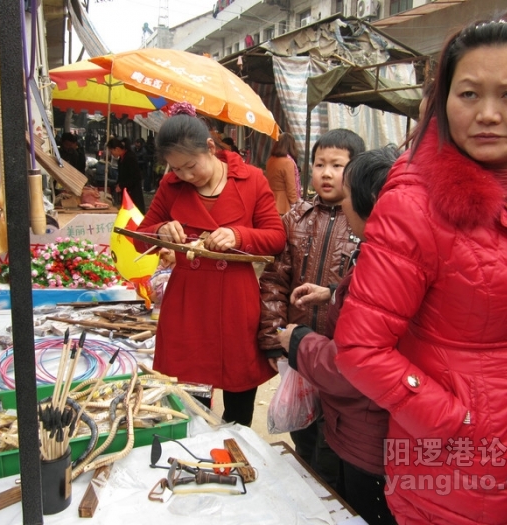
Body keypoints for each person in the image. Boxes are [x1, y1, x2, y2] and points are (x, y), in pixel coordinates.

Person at [332, 14, 507, 524]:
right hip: (457, 475)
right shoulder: (415, 205)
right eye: (468, 94)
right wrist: (457, 422)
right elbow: (360, 348)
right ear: (444, 101)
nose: (487, 114)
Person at [134, 102, 286, 427]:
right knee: (190, 403)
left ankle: (235, 457)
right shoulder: (171, 187)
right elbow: (139, 237)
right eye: (175, 169)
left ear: (211, 148)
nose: (184, 176)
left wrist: (238, 235)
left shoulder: (252, 181)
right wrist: (160, 231)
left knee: (239, 396)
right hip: (188, 304)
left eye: (190, 166)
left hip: (235, 301)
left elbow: (276, 237)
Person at [278, 146, 400, 525]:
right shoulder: (381, 252)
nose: (328, 176)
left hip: (366, 429)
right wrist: (332, 292)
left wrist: (296, 341)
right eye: (319, 165)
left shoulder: (388, 266)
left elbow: (354, 365)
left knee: (351, 502)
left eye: (347, 193)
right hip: (352, 416)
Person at [258, 128, 365, 487]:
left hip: (339, 358)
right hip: (299, 351)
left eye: (338, 165)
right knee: (302, 430)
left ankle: (333, 499)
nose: (326, 173)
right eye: (320, 164)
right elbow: (274, 280)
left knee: (335, 438)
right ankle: (307, 491)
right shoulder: (297, 218)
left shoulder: (364, 223)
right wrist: (275, 339)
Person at [264, 133, 302, 214]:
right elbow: (291, 189)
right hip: (284, 205)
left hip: (270, 202)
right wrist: (295, 206)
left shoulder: (270, 160)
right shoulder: (287, 162)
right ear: (291, 146)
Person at [107, 137, 146, 213]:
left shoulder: (130, 157)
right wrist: (118, 184)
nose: (112, 154)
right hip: (126, 192)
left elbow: (136, 177)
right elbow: (121, 175)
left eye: (112, 152)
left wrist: (121, 185)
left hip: (133, 193)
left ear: (117, 149)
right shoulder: (121, 159)